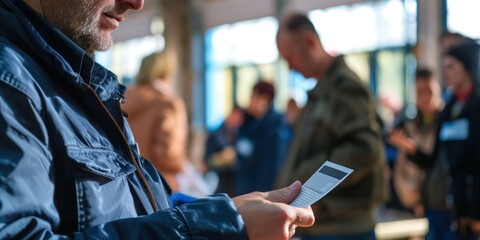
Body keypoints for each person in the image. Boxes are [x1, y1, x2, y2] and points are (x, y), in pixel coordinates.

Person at [0, 0, 315, 238]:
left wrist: (230, 213)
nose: (137, 3)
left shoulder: (82, 85)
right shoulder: (12, 85)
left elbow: (134, 208)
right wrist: (219, 226)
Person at [276, 13, 387, 240]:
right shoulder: (323, 90)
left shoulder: (344, 87)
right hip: (326, 226)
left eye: (291, 58)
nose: (290, 68)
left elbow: (365, 150)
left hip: (343, 228)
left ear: (310, 42)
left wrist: (304, 177)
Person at [409, 43, 480, 239]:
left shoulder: (476, 107)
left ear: (467, 67)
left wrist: (476, 212)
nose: (445, 72)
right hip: (440, 209)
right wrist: (411, 150)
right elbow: (436, 160)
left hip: (468, 216)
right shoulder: (449, 109)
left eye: (451, 66)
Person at [388, 68, 453, 239]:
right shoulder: (409, 124)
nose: (425, 98)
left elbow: (434, 162)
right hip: (426, 204)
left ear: (438, 89)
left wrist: (411, 149)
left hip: (449, 204)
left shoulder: (449, 119)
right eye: (419, 92)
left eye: (429, 92)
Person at [122, 51, 187, 193]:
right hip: (159, 185)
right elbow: (169, 153)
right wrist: (181, 166)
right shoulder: (168, 104)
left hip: (125, 183)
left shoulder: (121, 99)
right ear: (167, 72)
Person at [234, 81, 290, 195]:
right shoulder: (248, 123)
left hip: (263, 194)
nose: (250, 101)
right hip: (245, 191)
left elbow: (273, 168)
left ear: (264, 98)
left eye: (253, 96)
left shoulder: (276, 129)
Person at [205, 106, 244, 196]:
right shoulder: (215, 135)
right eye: (237, 117)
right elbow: (206, 161)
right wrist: (222, 158)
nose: (238, 121)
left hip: (233, 185)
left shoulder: (238, 134)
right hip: (218, 183)